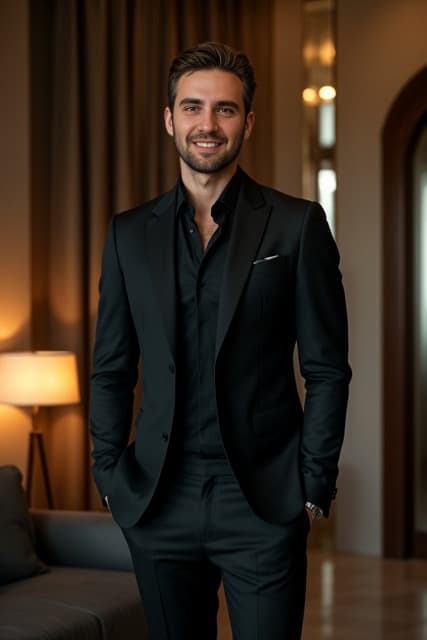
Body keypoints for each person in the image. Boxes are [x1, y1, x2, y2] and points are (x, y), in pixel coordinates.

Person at [90, 41, 351, 640]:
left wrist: (312, 486)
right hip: (158, 499)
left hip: (262, 502)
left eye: (225, 110)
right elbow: (111, 367)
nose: (208, 125)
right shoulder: (129, 234)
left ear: (248, 121)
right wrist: (110, 471)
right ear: (170, 119)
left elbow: (328, 368)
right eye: (193, 108)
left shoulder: (297, 224)